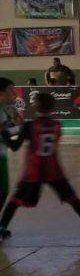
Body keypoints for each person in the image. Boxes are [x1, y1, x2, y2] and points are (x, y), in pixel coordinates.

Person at [0, 92, 80, 239]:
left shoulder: (30, 126)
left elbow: (14, 146)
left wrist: (3, 132)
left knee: (14, 201)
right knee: (72, 197)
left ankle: (2, 227)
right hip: (53, 169)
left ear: (34, 106)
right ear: (53, 108)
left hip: (33, 171)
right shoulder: (57, 125)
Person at [0, 78, 23, 211]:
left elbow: (20, 123)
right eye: (10, 91)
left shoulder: (9, 107)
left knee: (3, 191)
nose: (14, 94)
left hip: (2, 153)